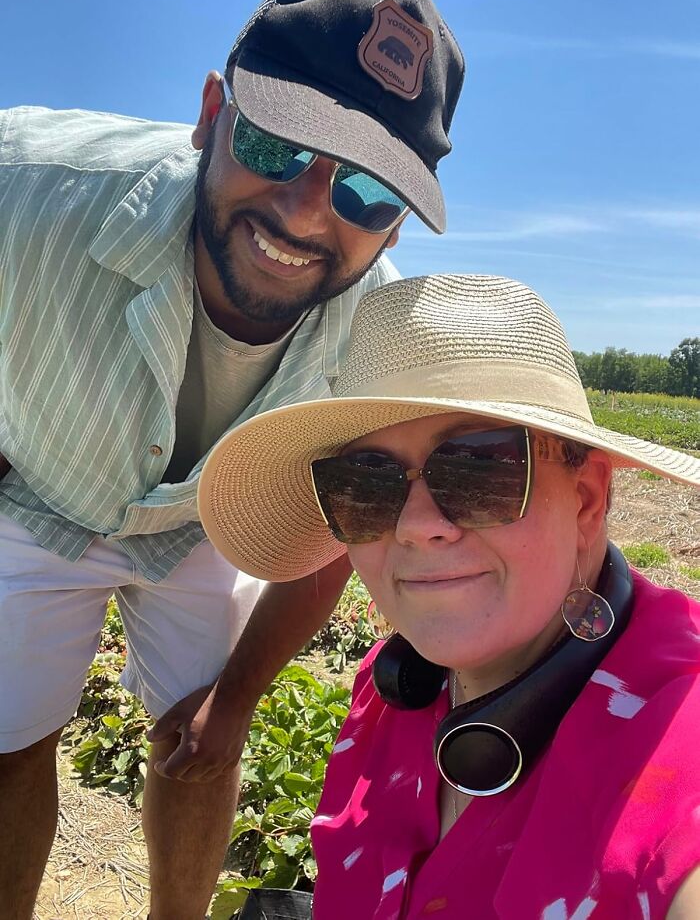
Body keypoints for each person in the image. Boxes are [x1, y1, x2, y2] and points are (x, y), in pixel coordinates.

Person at [0, 0, 465, 915]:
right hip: (41, 486)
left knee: (201, 749)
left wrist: (238, 699)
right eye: (274, 145)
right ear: (212, 115)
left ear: (399, 223)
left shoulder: (378, 336)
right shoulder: (25, 186)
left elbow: (327, 542)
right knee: (8, 745)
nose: (305, 210)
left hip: (215, 519)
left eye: (368, 190)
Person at [199, 274, 700, 919]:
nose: (414, 524)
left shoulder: (673, 740)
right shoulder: (387, 691)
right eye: (365, 482)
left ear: (586, 499)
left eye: (477, 467)